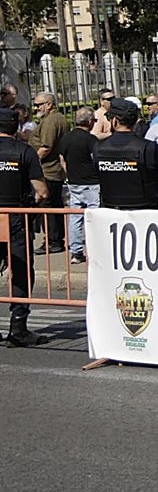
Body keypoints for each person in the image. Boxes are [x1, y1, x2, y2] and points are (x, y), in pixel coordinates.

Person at [0, 108, 49, 347]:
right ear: (17, 128)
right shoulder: (25, 152)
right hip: (16, 218)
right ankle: (18, 328)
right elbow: (42, 192)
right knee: (20, 272)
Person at [95, 98, 158, 210]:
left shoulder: (98, 148)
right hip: (144, 213)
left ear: (114, 121)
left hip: (111, 212)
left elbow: (96, 176)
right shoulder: (149, 147)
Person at [58, 106, 99, 265]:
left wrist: (71, 173)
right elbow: (96, 160)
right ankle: (95, 250)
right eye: (94, 120)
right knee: (95, 218)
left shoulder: (66, 138)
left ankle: (76, 252)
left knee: (75, 218)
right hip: (92, 184)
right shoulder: (91, 140)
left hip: (74, 184)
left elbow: (62, 159)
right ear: (89, 122)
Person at [30, 92, 68, 254]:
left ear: (49, 104)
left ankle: (52, 241)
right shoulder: (56, 119)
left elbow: (46, 146)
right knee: (54, 206)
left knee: (48, 207)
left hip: (48, 171)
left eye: (39, 104)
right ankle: (55, 239)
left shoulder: (51, 121)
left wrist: (33, 164)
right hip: (53, 170)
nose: (37, 107)